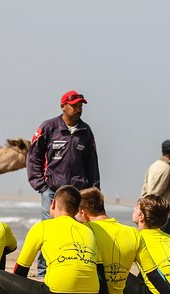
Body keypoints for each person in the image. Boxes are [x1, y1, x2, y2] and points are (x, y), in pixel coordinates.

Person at [0, 186, 110, 294]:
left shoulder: (42, 227)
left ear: (53, 203)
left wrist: (12, 293)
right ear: (77, 210)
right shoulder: (88, 231)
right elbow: (100, 272)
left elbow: (21, 269)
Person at [26, 90, 100, 277]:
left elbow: (92, 162)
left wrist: (94, 189)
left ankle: (73, 269)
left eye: (80, 106)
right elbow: (33, 157)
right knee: (49, 231)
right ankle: (43, 273)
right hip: (52, 191)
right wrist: (41, 186)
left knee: (80, 232)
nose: (78, 109)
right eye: (74, 105)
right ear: (63, 106)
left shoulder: (86, 131)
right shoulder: (49, 127)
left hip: (79, 193)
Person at [141, 139, 170, 238]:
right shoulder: (165, 168)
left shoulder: (155, 165)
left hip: (157, 215)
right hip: (161, 216)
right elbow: (154, 194)